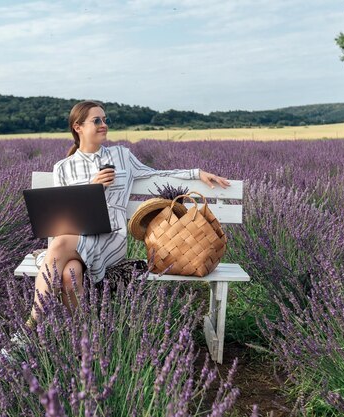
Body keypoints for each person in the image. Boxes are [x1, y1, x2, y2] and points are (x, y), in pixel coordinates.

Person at [27, 100, 230, 327]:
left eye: (105, 120)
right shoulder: (63, 167)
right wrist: (92, 188)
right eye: (97, 120)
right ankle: (83, 337)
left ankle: (30, 327)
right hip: (75, 235)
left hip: (110, 237)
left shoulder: (122, 156)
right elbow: (59, 214)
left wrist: (196, 173)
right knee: (69, 274)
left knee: (59, 246)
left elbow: (157, 176)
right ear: (78, 127)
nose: (104, 124)